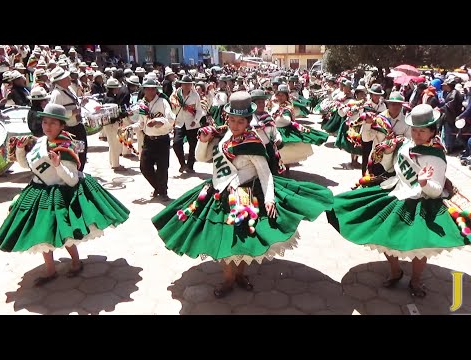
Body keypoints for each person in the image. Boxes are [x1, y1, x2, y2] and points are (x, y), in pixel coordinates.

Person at [151, 91, 334, 298]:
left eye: (240, 121)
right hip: (219, 192)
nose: (235, 125)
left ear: (248, 121)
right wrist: (203, 141)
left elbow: (265, 175)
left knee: (241, 241)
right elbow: (201, 158)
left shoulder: (253, 142)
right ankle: (229, 280)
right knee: (228, 242)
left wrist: (270, 198)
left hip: (245, 195)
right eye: (231, 120)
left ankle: (237, 276)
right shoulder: (224, 137)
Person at [327, 104, 470, 298]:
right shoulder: (404, 145)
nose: (417, 135)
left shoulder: (436, 156)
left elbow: (436, 191)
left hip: (423, 202)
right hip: (397, 193)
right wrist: (387, 153)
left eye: (422, 131)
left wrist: (424, 182)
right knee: (386, 238)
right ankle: (395, 271)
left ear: (432, 132)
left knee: (420, 248)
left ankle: (416, 280)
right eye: (414, 130)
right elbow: (390, 168)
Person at [0, 103, 130, 287]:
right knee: (42, 232)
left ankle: (76, 262)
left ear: (62, 125)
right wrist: (19, 149)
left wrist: (57, 164)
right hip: (39, 191)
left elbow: (72, 179)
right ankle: (50, 269)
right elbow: (27, 166)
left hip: (59, 194)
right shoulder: (40, 142)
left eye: (53, 123)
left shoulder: (66, 146)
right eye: (45, 122)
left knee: (65, 232)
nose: (47, 126)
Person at [128, 78, 175, 201]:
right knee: (144, 167)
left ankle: (163, 191)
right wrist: (131, 128)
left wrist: (158, 121)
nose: (150, 91)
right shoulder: (142, 105)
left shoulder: (163, 102)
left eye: (153, 88)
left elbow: (171, 119)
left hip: (162, 140)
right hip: (148, 140)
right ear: (144, 90)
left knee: (162, 167)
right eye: (148, 88)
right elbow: (141, 123)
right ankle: (158, 187)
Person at [49, 66, 88, 172]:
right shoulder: (57, 95)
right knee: (71, 156)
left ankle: (79, 173)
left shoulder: (69, 89)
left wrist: (81, 103)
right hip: (68, 129)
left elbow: (74, 103)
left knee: (82, 152)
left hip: (77, 125)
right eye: (66, 77)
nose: (69, 78)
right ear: (60, 80)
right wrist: (73, 112)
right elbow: (55, 114)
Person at [169, 75, 204, 173]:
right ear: (181, 84)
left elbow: (199, 110)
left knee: (193, 146)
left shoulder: (195, 95)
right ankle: (182, 163)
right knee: (176, 143)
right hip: (179, 123)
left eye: (189, 84)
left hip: (192, 124)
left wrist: (195, 120)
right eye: (185, 84)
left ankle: (190, 166)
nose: (187, 86)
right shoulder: (175, 95)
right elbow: (171, 109)